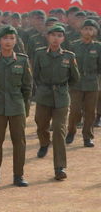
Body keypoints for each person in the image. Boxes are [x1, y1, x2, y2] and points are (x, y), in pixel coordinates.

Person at [0, 26, 32, 187]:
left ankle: (18, 175)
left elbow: (27, 88)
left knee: (19, 142)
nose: (8, 41)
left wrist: (25, 108)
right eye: (5, 38)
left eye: (11, 38)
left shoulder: (23, 60)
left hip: (17, 107)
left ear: (16, 41)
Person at [33, 25, 80, 180]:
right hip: (44, 96)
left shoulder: (69, 56)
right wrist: (43, 88)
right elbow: (36, 75)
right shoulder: (40, 54)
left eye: (59, 35)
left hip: (61, 98)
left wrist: (62, 88)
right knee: (41, 125)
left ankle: (59, 167)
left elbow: (75, 78)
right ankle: (44, 142)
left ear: (63, 39)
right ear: (48, 37)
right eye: (53, 35)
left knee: (59, 131)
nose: (56, 38)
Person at [66, 19, 101, 147]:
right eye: (85, 28)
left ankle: (87, 137)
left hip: (92, 83)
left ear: (95, 32)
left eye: (90, 29)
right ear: (81, 30)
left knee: (90, 111)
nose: (87, 31)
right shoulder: (73, 45)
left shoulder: (98, 47)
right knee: (74, 110)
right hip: (76, 82)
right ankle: (71, 132)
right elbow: (68, 64)